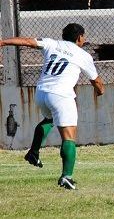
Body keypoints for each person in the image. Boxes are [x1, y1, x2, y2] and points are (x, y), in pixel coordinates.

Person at [0, 23, 105, 190]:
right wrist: (100, 91)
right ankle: (67, 177)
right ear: (79, 38)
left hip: (41, 92)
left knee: (49, 119)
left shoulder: (52, 43)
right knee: (69, 137)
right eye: (83, 37)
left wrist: (3, 42)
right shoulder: (83, 55)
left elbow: (27, 41)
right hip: (61, 95)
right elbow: (96, 80)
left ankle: (33, 153)